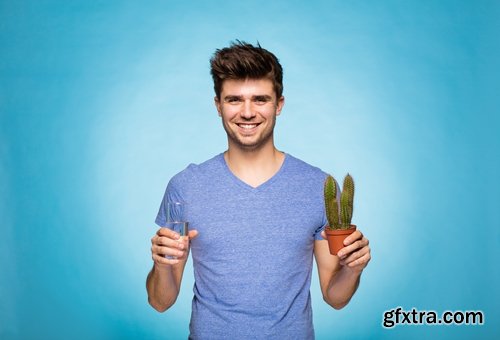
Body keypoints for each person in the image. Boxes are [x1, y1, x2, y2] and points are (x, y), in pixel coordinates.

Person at [146, 41, 371, 339]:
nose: (248, 112)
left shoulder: (319, 187)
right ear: (218, 106)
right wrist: (162, 266)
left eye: (260, 99)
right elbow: (160, 302)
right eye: (235, 100)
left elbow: (335, 296)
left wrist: (353, 268)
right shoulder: (186, 186)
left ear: (279, 104)